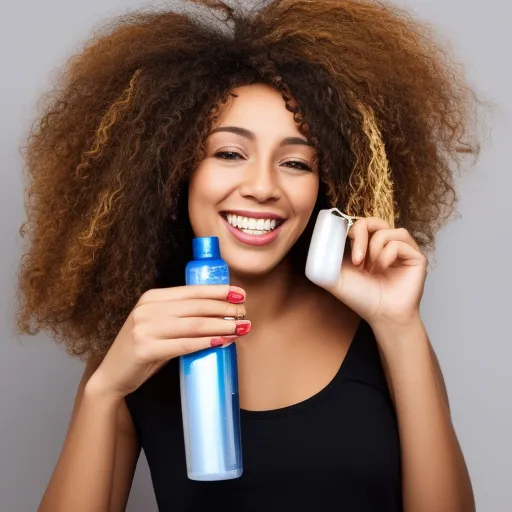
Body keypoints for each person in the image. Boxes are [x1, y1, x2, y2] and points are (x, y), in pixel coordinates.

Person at [15, 0, 482, 510]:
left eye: (297, 162)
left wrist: (399, 324)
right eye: (230, 153)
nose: (262, 187)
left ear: (328, 184)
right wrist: (103, 392)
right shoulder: (143, 343)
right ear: (173, 170)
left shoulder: (382, 331)